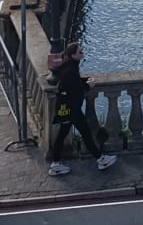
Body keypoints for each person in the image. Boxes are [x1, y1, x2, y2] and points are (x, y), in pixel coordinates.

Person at [46, 43, 116, 175]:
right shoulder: (71, 70)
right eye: (79, 52)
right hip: (71, 109)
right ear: (73, 55)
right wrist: (88, 86)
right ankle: (101, 159)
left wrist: (84, 81)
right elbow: (75, 89)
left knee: (64, 134)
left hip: (65, 108)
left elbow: (73, 82)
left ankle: (56, 163)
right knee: (85, 133)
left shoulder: (69, 67)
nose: (82, 53)